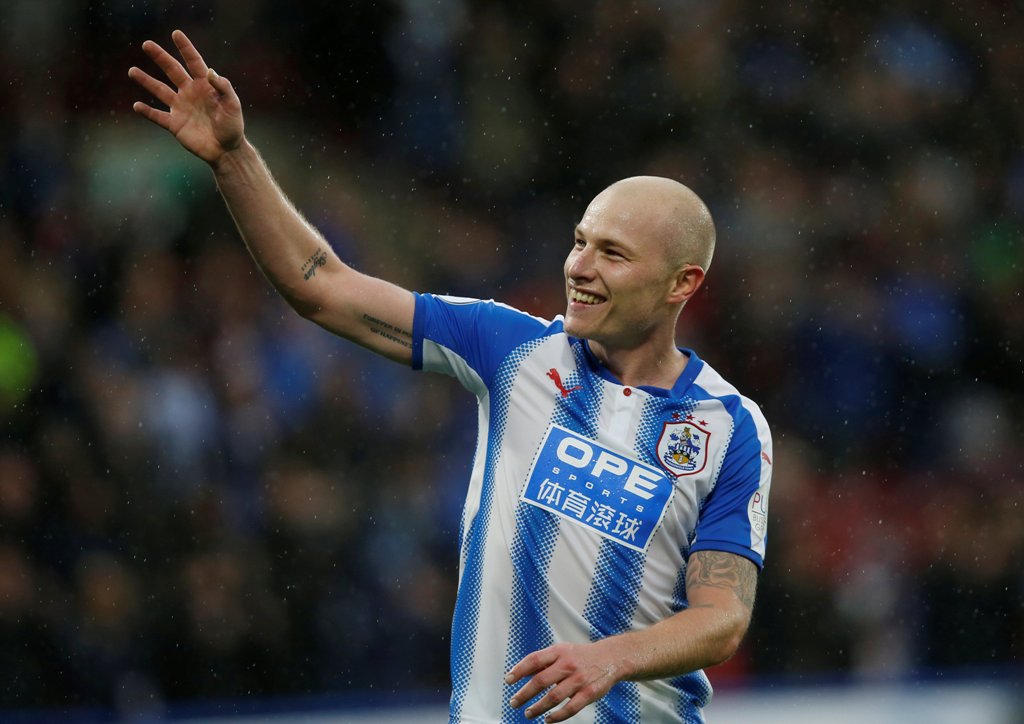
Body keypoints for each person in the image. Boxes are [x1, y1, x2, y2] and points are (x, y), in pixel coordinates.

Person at [129, 30, 773, 724]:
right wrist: (234, 158)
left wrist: (610, 656)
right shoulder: (512, 348)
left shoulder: (727, 426)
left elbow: (722, 618)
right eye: (580, 241)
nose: (579, 267)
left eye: (612, 254)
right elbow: (322, 287)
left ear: (683, 282)